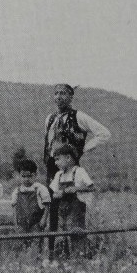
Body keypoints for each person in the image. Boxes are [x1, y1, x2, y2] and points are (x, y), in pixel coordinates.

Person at [43, 84, 110, 251]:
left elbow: (104, 133)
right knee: (53, 209)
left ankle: (76, 251)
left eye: (63, 93)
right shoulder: (50, 119)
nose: (59, 97)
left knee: (73, 209)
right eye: (56, 93)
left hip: (71, 169)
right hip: (53, 168)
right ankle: (54, 252)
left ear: (71, 97)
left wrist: (82, 150)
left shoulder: (79, 117)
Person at [49, 144, 95, 257]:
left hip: (76, 211)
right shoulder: (59, 175)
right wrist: (59, 194)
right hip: (63, 210)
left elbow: (92, 187)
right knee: (62, 235)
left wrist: (76, 189)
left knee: (76, 233)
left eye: (58, 159)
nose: (56, 163)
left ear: (68, 158)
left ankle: (79, 258)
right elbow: (54, 193)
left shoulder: (78, 172)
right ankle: (64, 259)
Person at [10, 158, 51, 234]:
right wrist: (16, 224)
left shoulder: (40, 189)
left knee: (35, 243)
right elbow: (14, 209)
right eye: (23, 176)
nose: (26, 179)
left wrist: (44, 219)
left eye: (29, 176)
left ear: (35, 175)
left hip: (36, 224)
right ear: (19, 175)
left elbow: (47, 205)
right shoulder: (17, 191)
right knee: (22, 243)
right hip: (21, 225)